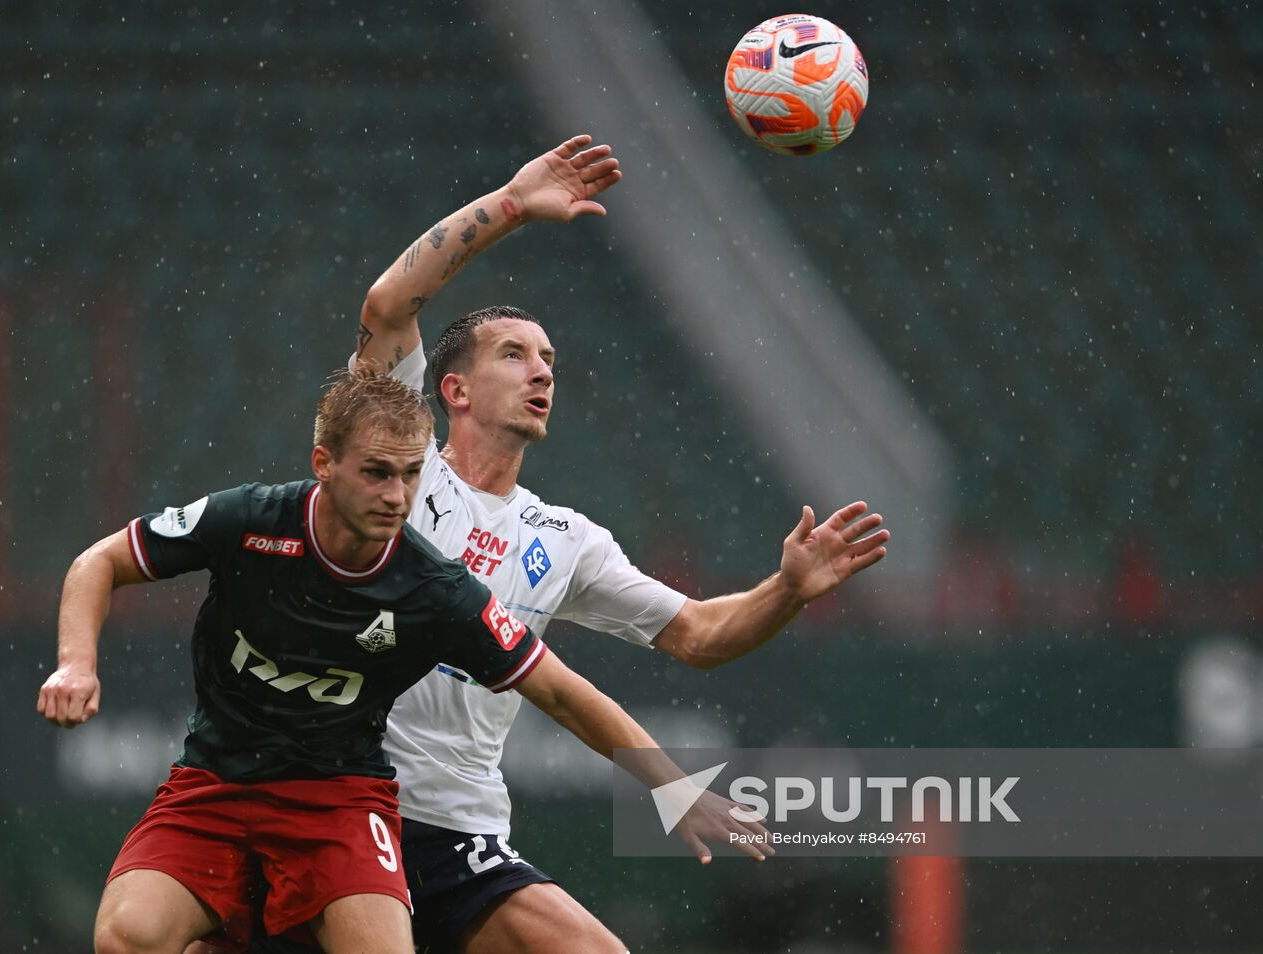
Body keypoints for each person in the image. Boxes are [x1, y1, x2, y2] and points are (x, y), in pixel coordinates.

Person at [239, 135, 890, 954]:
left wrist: (787, 587)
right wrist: (510, 205)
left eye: (549, 359)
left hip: (459, 830)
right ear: (455, 389)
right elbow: (387, 305)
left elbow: (698, 636)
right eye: (515, 355)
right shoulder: (397, 469)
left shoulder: (564, 538)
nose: (542, 372)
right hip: (339, 805)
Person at [37, 367, 767, 954]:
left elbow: (562, 692)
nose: (397, 497)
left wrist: (671, 788)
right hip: (217, 783)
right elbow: (98, 563)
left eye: (410, 475)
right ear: (323, 464)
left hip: (340, 802)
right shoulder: (250, 521)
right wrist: (77, 664)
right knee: (127, 937)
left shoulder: (435, 589)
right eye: (377, 474)